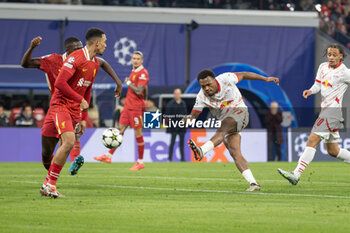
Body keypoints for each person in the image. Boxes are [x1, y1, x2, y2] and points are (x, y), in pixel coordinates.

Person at [21, 36, 122, 173]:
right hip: (57, 105)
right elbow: (26, 64)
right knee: (47, 152)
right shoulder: (53, 60)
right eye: (77, 49)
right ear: (68, 51)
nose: (81, 51)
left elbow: (102, 63)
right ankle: (51, 174)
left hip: (75, 106)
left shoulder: (84, 59)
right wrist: (32, 47)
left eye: (81, 48)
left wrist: (118, 82)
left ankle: (72, 161)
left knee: (70, 138)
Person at [40, 27, 118, 198]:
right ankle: (50, 184)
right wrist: (78, 98)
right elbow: (60, 83)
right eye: (104, 42)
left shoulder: (95, 63)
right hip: (60, 105)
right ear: (96, 43)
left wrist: (83, 118)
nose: (106, 45)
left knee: (66, 145)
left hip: (74, 110)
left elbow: (87, 90)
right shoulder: (76, 57)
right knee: (66, 143)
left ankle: (48, 184)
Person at [187, 69, 279, 191]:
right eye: (203, 86)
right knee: (234, 152)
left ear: (215, 80)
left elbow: (244, 75)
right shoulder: (201, 97)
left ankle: (202, 150)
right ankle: (253, 183)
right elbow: (193, 115)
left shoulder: (226, 79)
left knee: (223, 127)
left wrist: (265, 79)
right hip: (227, 120)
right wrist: (185, 119)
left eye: (209, 84)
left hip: (240, 112)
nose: (207, 88)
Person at [278, 44, 350, 185]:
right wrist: (311, 90)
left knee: (312, 140)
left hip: (332, 112)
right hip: (325, 111)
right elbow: (318, 84)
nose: (331, 57)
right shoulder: (323, 67)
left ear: (341, 56)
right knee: (333, 150)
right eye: (329, 54)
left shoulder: (345, 72)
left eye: (334, 54)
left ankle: (296, 174)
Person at [94, 51, 149, 171]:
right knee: (119, 131)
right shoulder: (134, 71)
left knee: (138, 134)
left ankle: (140, 161)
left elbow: (140, 91)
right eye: (134, 58)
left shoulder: (143, 73)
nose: (135, 60)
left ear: (142, 61)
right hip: (127, 108)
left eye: (138, 59)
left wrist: (129, 83)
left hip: (135, 108)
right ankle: (108, 155)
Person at [165, 88, 187, 161]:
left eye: (178, 94)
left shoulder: (183, 103)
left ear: (180, 94)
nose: (177, 95)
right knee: (172, 142)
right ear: (174, 95)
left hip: (181, 127)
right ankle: (170, 158)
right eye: (176, 94)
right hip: (173, 127)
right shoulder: (170, 104)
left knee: (182, 144)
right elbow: (168, 115)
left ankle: (182, 159)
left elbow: (185, 115)